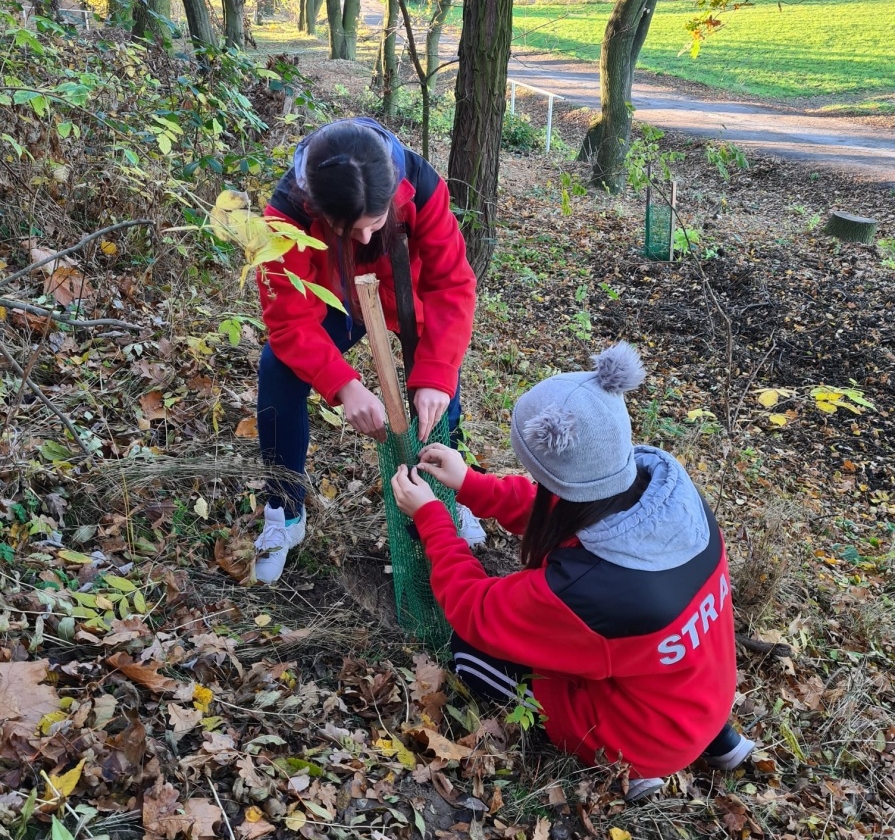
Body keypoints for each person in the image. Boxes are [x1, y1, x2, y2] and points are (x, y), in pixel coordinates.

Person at [390, 342, 754, 800]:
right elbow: (566, 512)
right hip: (705, 694)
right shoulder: (668, 496)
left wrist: (431, 519)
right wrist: (471, 485)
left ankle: (634, 767)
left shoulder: (589, 590)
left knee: (469, 651)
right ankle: (719, 740)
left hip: (645, 734)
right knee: (650, 658)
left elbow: (475, 610)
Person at [254, 117, 484, 585]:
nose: (361, 239)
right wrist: (344, 386)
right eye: (347, 229)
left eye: (374, 223)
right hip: (333, 299)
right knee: (278, 369)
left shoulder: (420, 185)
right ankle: (285, 511)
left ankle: (449, 496)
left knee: (440, 389)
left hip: (402, 292)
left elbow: (451, 284)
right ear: (317, 208)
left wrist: (435, 374)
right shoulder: (285, 216)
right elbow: (289, 319)